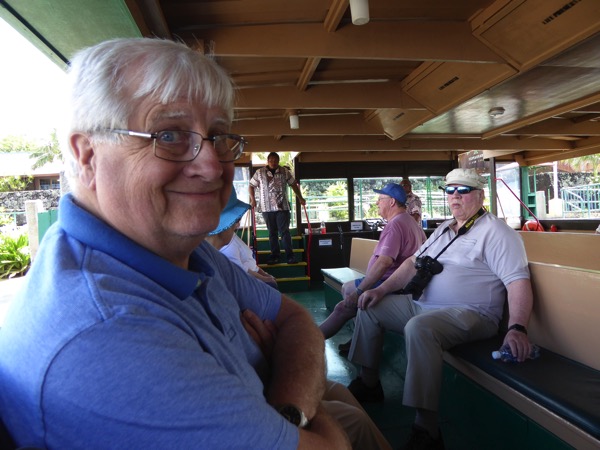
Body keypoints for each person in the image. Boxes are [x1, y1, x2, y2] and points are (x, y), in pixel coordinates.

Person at [0, 37, 381, 449]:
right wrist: (288, 384)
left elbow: (295, 320)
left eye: (218, 136)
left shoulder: (182, 250)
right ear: (87, 155)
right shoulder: (109, 336)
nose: (212, 166)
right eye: (168, 135)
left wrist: (288, 406)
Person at [347, 168, 534, 450]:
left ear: (480, 195)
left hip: (472, 313)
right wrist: (380, 290)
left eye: (464, 190)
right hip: (423, 305)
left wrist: (517, 327)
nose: (455, 196)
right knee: (370, 305)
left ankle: (427, 429)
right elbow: (411, 264)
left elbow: (517, 281)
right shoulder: (445, 229)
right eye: (450, 190)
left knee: (419, 328)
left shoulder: (497, 233)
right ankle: (369, 383)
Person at [319, 183, 426, 344]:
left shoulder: (395, 225)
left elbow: (384, 262)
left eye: (380, 199)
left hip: (390, 283)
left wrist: (360, 290)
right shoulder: (411, 222)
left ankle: (312, 340)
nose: (377, 202)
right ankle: (357, 336)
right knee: (346, 295)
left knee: (346, 299)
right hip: (405, 283)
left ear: (392, 202)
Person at [206, 190, 278, 289]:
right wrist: (265, 279)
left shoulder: (209, 256)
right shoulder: (228, 250)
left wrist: (265, 276)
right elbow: (242, 272)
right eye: (236, 220)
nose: (238, 225)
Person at [249, 152, 306, 264]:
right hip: (266, 208)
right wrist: (253, 199)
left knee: (284, 232)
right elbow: (251, 186)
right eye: (271, 160)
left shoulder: (285, 171)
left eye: (275, 160)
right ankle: (275, 256)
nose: (273, 163)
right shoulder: (259, 172)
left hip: (282, 207)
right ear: (267, 161)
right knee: (272, 233)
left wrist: (300, 197)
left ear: (278, 161)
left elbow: (293, 184)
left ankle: (290, 256)